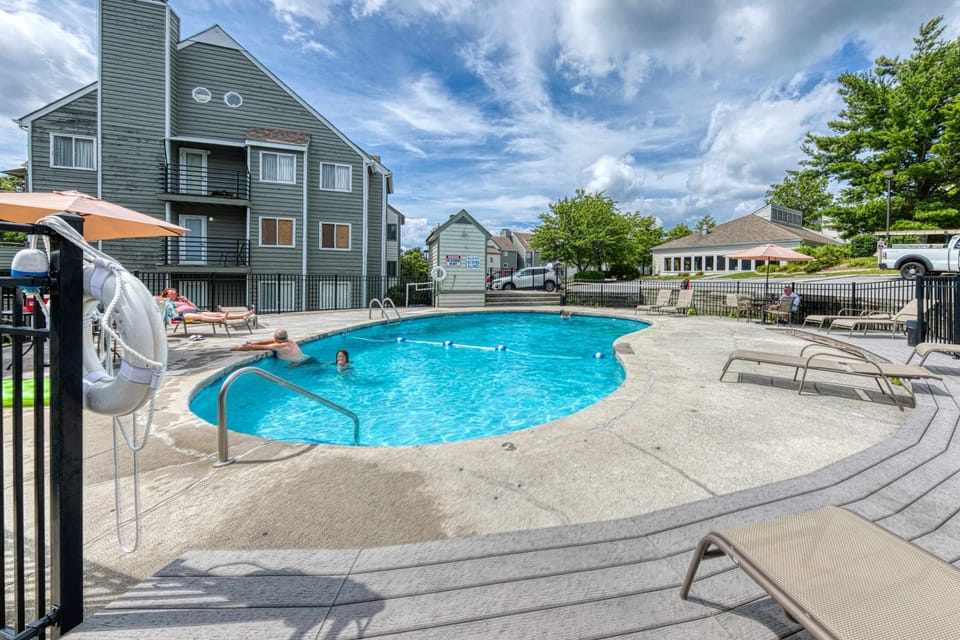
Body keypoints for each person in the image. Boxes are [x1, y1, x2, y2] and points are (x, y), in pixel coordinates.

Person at [230, 328, 312, 366]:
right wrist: (255, 343)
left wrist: (234, 348)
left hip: (296, 364)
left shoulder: (278, 346)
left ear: (276, 338)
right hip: (307, 360)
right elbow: (270, 341)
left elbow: (252, 348)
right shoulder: (291, 341)